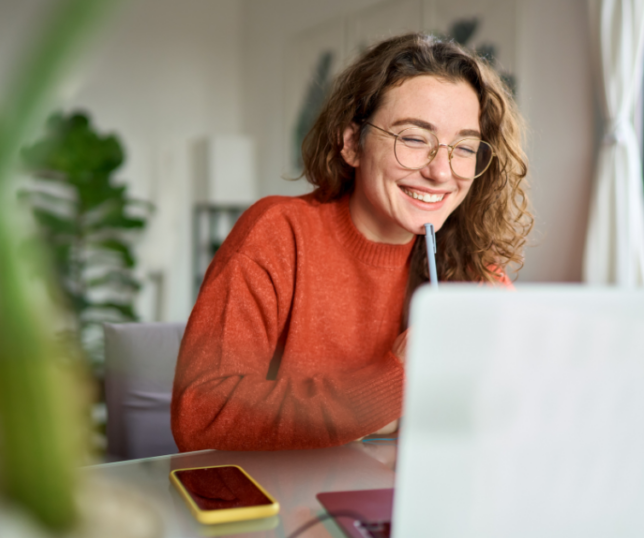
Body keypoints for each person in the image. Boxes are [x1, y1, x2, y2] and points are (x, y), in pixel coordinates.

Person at [171, 33, 531, 452]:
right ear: (351, 144)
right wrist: (393, 382)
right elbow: (200, 415)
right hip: (283, 508)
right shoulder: (277, 234)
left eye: (464, 148)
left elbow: (514, 409)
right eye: (414, 138)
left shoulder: (470, 264)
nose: (441, 172)